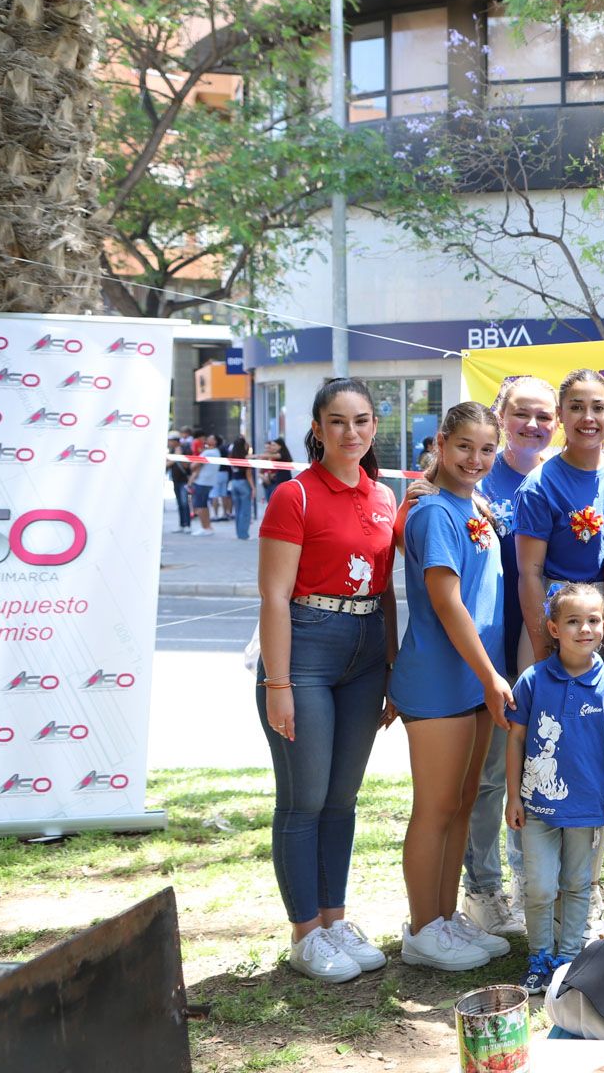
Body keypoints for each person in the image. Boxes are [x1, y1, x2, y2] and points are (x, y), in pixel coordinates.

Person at [254, 378, 398, 983]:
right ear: (317, 427)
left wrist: (393, 669)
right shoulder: (295, 496)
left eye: (361, 420)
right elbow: (274, 595)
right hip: (306, 650)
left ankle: (336, 921)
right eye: (337, 421)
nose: (352, 433)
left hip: (365, 656)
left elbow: (390, 593)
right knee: (305, 798)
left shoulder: (385, 495)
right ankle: (305, 932)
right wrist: (278, 684)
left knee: (342, 800)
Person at [389, 402, 515, 973]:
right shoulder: (434, 513)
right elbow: (446, 602)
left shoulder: (470, 507)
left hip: (474, 679)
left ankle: (443, 918)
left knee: (463, 803)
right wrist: (492, 675)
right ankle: (421, 928)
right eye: (464, 446)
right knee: (435, 807)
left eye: (487, 449)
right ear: (441, 443)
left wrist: (486, 675)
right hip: (441, 680)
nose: (476, 459)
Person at [507, 582, 604, 995]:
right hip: (537, 808)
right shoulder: (532, 680)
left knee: (579, 882)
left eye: (594, 620)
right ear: (553, 628)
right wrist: (513, 795)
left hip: (586, 808)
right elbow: (515, 738)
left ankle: (566, 959)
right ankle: (539, 956)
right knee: (541, 885)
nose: (585, 629)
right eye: (574, 621)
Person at [461, 376, 557, 940]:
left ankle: (531, 883)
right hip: (491, 647)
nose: (533, 425)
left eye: (544, 416)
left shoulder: (556, 478)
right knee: (492, 774)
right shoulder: (476, 477)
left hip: (546, 650)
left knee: (538, 772)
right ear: (501, 417)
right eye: (521, 414)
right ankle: (483, 886)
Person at [515, 368, 604, 659]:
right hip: (555, 620)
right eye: (576, 407)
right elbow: (529, 576)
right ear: (560, 415)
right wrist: (544, 648)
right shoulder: (538, 486)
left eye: (598, 408)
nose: (588, 418)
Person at [228, 435, 259, 541]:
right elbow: (249, 474)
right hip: (244, 483)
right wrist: (253, 488)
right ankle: (244, 534)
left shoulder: (231, 457)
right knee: (245, 510)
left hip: (234, 482)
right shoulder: (245, 458)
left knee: (237, 510)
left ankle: (239, 533)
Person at [190, 433, 217, 536]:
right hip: (208, 481)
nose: (207, 439)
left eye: (210, 437)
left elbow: (194, 466)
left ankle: (205, 527)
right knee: (204, 504)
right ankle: (208, 526)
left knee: (200, 505)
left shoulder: (208, 453)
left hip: (202, 482)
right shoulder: (214, 452)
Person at [168, 433, 192, 532]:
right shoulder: (172, 451)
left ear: (175, 441)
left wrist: (179, 456)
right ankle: (181, 525)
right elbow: (168, 464)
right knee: (179, 503)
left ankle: (187, 525)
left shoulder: (185, 449)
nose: (169, 443)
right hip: (175, 480)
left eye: (170, 441)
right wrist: (175, 457)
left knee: (184, 503)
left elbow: (186, 466)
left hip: (184, 481)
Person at [262, 437, 294, 507]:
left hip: (282, 482)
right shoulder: (277, 455)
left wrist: (255, 456)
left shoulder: (282, 454)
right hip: (278, 482)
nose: (272, 447)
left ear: (280, 446)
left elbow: (273, 456)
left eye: (274, 445)